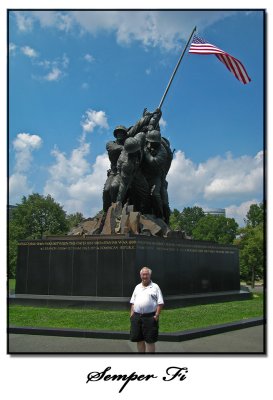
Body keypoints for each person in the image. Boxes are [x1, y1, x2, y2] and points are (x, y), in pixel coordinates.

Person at [130, 267, 164, 353]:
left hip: (150, 317)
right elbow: (133, 302)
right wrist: (132, 315)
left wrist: (156, 315)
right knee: (139, 339)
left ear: (150, 275)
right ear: (140, 275)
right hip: (137, 317)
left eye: (146, 274)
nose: (145, 276)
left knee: (150, 340)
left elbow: (160, 303)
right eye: (143, 274)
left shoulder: (155, 287)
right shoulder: (137, 287)